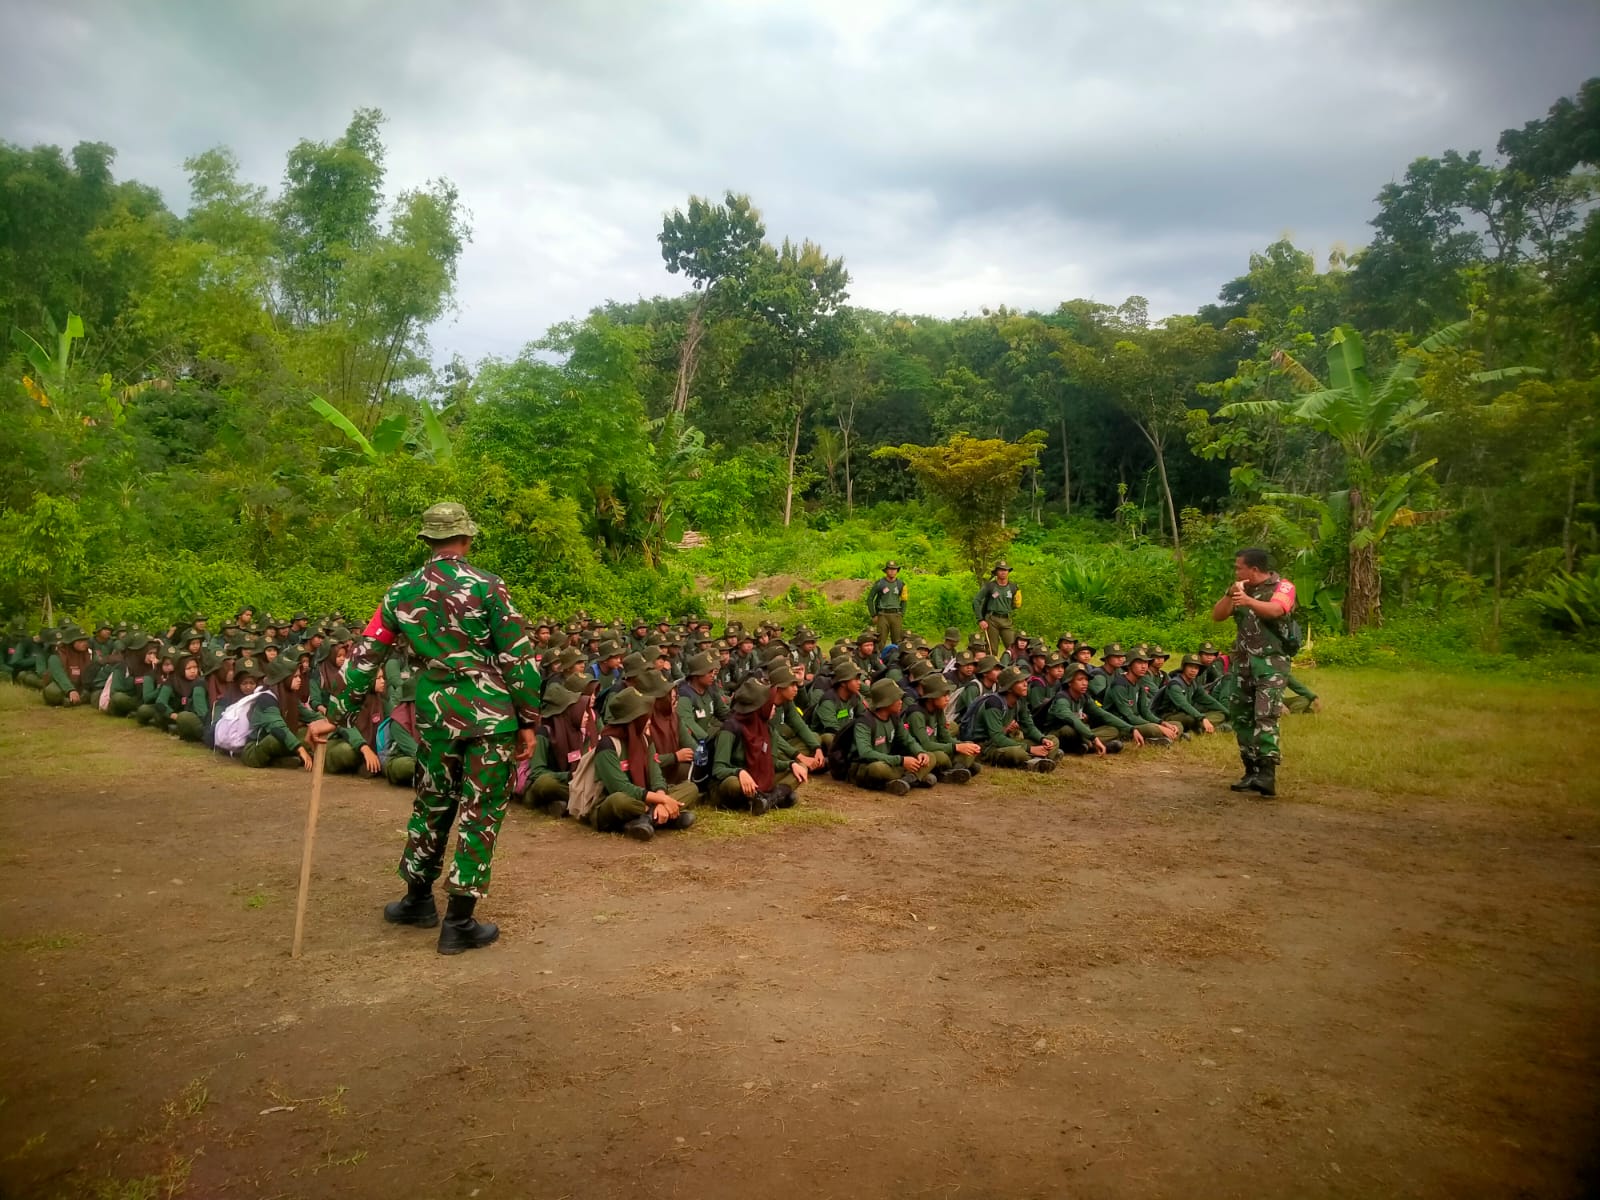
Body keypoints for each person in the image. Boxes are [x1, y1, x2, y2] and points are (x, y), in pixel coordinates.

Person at [306, 502, 543, 957]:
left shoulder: (400, 592)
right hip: (490, 714)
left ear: (427, 541)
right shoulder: (490, 587)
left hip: (434, 711)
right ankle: (459, 921)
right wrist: (528, 720)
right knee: (480, 811)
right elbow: (519, 657)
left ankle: (417, 899)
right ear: (467, 539)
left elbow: (365, 656)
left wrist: (333, 716)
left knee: (432, 801)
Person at [1212, 545, 1296, 798]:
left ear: (1254, 569)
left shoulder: (1283, 587)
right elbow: (1218, 616)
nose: (1236, 571)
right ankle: (1251, 769)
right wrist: (1231, 595)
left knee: (1266, 714)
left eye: (1239, 567)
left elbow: (1277, 610)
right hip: (1244, 662)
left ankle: (1267, 773)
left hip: (1271, 662)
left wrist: (1247, 600)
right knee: (1242, 715)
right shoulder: (1239, 588)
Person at [586, 686, 698, 841]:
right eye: (645, 716)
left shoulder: (645, 739)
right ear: (634, 719)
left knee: (690, 787)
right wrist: (663, 800)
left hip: (645, 798)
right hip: (615, 803)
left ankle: (647, 819)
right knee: (619, 800)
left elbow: (656, 776)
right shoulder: (607, 744)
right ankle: (663, 816)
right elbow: (620, 787)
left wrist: (660, 794)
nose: (649, 721)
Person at [711, 677, 803, 814]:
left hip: (758, 779)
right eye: (769, 703)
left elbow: (772, 763)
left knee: (798, 771)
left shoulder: (766, 728)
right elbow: (718, 770)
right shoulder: (731, 728)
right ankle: (775, 796)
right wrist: (739, 772)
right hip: (736, 781)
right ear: (757, 707)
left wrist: (791, 764)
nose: (773, 707)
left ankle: (766, 800)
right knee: (733, 784)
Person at [903, 673, 980, 783]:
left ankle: (955, 769)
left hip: (936, 747)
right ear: (930, 698)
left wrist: (963, 746)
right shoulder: (916, 714)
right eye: (943, 695)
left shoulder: (938, 710)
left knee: (969, 746)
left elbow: (945, 737)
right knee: (941, 757)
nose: (948, 698)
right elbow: (925, 745)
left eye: (948, 694)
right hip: (921, 753)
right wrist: (956, 748)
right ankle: (955, 768)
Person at [973, 560, 1021, 657]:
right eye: (1001, 570)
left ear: (1008, 572)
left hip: (1006, 620)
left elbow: (1015, 604)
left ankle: (1012, 669)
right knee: (991, 649)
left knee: (1012, 648)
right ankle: (991, 669)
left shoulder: (1013, 587)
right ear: (996, 572)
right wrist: (980, 620)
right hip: (991, 619)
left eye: (1005, 570)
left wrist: (1016, 604)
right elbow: (976, 601)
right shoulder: (990, 586)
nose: (1003, 572)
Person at [866, 560, 907, 651]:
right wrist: (873, 615)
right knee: (880, 641)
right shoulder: (880, 583)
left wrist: (902, 614)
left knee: (897, 641)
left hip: (896, 615)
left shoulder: (901, 584)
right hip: (882, 615)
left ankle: (895, 661)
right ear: (886, 570)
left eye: (894, 569)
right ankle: (878, 660)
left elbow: (904, 600)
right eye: (890, 569)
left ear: (897, 571)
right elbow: (870, 599)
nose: (892, 571)